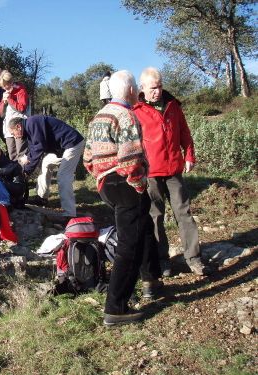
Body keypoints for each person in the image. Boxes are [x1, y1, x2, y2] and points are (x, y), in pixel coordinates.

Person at [85, 70, 160, 326]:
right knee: (128, 244)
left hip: (106, 183)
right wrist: (139, 187)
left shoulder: (98, 117)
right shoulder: (126, 115)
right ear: (130, 91)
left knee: (137, 234)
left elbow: (87, 158)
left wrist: (100, 176)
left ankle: (148, 280)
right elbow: (131, 158)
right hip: (124, 182)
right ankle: (115, 308)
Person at [134, 67, 207, 276]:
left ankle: (194, 258)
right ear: (143, 88)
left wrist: (189, 155)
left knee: (184, 213)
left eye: (159, 86)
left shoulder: (173, 105)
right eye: (153, 88)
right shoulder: (136, 111)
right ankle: (162, 260)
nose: (157, 91)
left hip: (174, 168)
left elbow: (184, 132)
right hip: (151, 172)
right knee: (155, 216)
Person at [8, 115, 85, 219]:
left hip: (73, 144)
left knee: (63, 176)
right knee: (46, 163)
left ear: (18, 126)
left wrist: (26, 171)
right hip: (63, 148)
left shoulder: (32, 123)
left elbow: (39, 148)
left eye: (13, 133)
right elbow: (33, 147)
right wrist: (27, 158)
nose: (15, 137)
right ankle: (42, 198)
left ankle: (69, 213)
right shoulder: (29, 127)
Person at [0, 70, 29, 161]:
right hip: (8, 129)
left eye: (5, 85)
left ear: (10, 82)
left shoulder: (21, 91)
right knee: (12, 155)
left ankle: (23, 174)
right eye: (2, 86)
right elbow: (0, 114)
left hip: (19, 127)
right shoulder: (6, 93)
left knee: (21, 154)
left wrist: (10, 99)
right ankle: (15, 174)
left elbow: (22, 108)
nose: (4, 88)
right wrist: (3, 103)